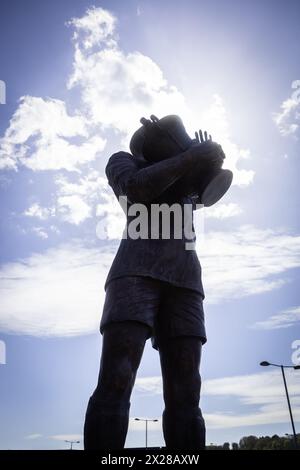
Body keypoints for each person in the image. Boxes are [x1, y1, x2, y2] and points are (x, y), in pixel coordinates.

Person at [84, 115, 228, 450]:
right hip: (135, 275)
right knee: (117, 378)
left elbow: (208, 192)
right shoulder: (124, 161)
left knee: (187, 390)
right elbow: (136, 190)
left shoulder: (184, 173)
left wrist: (210, 158)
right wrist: (191, 157)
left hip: (186, 282)